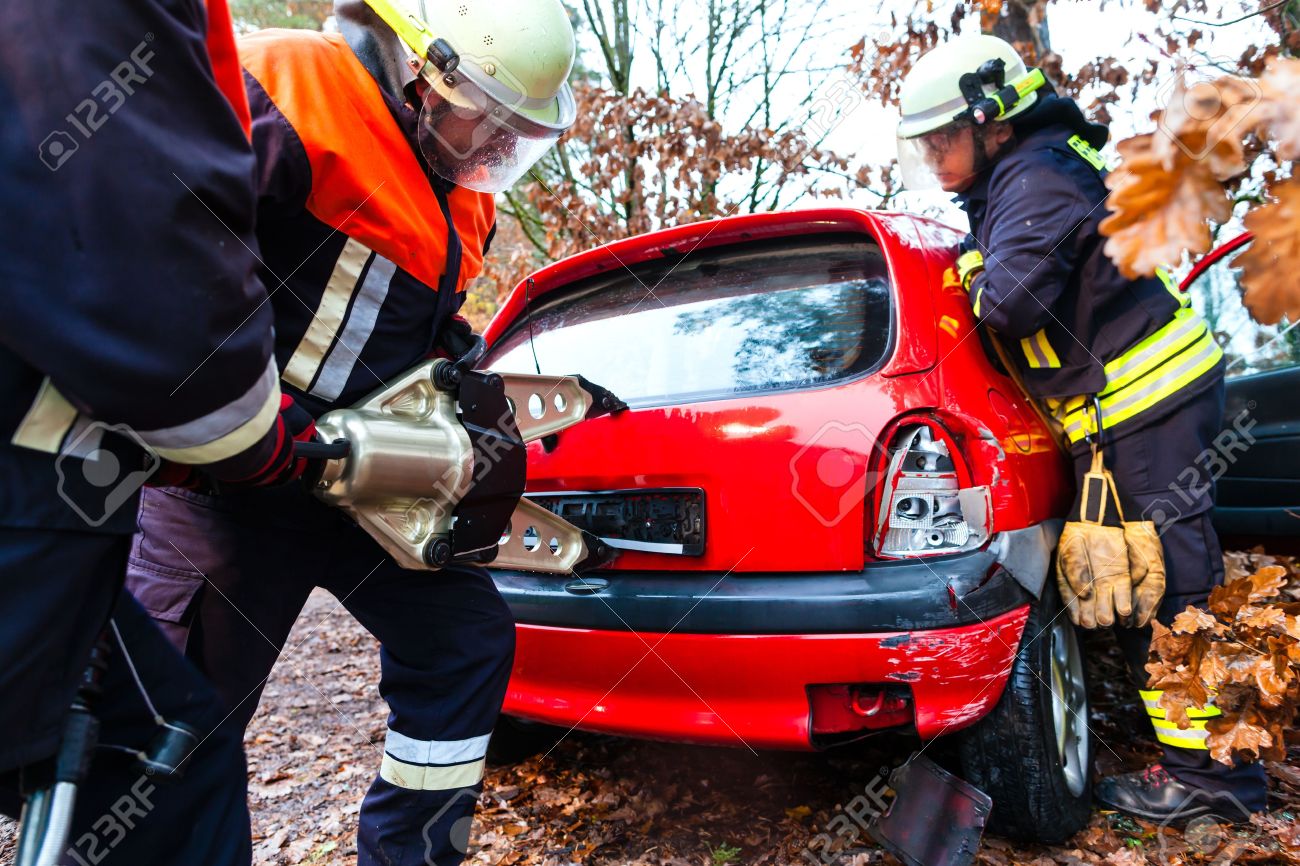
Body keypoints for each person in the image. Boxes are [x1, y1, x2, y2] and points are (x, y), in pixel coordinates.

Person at [123, 1, 578, 863]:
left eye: (519, 133)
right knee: (177, 719)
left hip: (367, 484)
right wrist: (253, 424)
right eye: (492, 120)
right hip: (233, 478)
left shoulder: (463, 188)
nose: (498, 149)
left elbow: (408, 317)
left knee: (463, 642)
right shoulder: (287, 87)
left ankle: (410, 853)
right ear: (424, 73)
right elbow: (163, 262)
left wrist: (459, 368)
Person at [895, 34, 1267, 823]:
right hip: (1128, 408)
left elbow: (1009, 305)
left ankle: (1216, 780)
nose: (931, 155)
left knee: (1174, 584)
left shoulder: (1036, 178)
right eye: (920, 143)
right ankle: (1192, 757)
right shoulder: (1014, 186)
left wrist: (969, 273)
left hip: (1149, 402)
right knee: (1147, 577)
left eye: (940, 137)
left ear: (992, 120)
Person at [0, 1, 316, 863]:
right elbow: (163, 282)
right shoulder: (302, 94)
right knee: (171, 779)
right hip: (34, 479)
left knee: (170, 765)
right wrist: (262, 443)